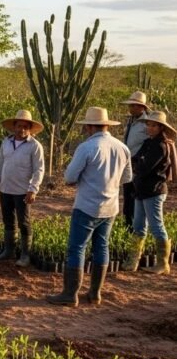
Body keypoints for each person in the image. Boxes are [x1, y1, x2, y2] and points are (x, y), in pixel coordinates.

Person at [47, 107, 132, 307]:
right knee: (102, 247)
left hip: (87, 205)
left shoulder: (87, 148)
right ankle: (95, 293)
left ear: (90, 127)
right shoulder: (122, 148)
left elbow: (69, 177)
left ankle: (70, 294)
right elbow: (127, 178)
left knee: (77, 248)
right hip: (110, 206)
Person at [0, 110, 45, 267]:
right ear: (14, 126)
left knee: (24, 223)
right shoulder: (6, 142)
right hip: (5, 189)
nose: (22, 129)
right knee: (8, 221)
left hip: (23, 191)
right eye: (19, 126)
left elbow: (39, 170)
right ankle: (8, 251)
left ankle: (25, 255)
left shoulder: (35, 146)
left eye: (25, 127)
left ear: (30, 128)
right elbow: (0, 164)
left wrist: (33, 189)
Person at [121, 110, 174, 274]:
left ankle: (162, 263)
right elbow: (137, 159)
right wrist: (135, 163)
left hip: (154, 191)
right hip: (142, 190)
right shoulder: (148, 143)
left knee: (156, 225)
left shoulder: (160, 146)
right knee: (138, 226)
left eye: (153, 125)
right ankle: (133, 261)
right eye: (148, 125)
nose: (150, 128)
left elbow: (144, 167)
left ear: (160, 128)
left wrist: (135, 165)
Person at [120, 91, 150, 228]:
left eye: (134, 106)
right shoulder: (130, 121)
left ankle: (137, 229)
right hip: (127, 164)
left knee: (137, 199)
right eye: (130, 105)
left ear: (142, 107)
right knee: (128, 197)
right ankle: (128, 227)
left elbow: (149, 145)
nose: (131, 108)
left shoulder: (147, 124)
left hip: (138, 165)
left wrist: (139, 160)